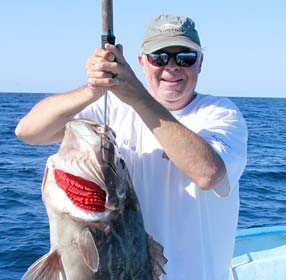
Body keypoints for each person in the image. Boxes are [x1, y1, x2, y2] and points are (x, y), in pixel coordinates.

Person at [15, 15, 247, 280]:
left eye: (184, 58)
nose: (171, 67)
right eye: (158, 58)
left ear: (201, 62)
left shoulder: (219, 113)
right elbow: (28, 131)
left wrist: (135, 94)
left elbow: (208, 173)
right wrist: (94, 89)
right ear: (141, 62)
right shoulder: (109, 108)